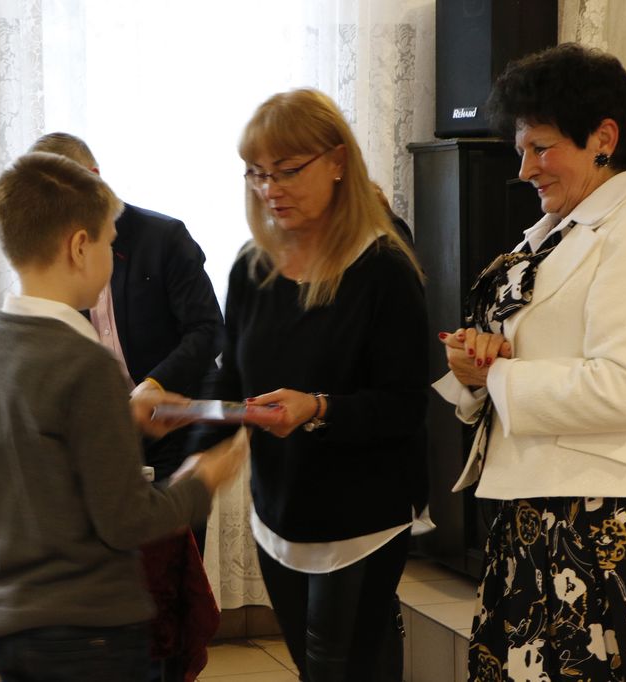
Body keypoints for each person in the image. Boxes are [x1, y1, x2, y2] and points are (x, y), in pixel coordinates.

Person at [434, 43, 626, 680]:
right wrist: (476, 364)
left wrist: (500, 375)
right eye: (521, 149)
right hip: (540, 506)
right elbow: (531, 354)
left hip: (611, 520)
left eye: (541, 147)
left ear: (603, 139)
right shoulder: (555, 234)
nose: (525, 168)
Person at [0, 151, 248, 682]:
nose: (114, 256)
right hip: (88, 630)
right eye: (111, 243)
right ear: (80, 247)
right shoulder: (86, 363)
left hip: (11, 623)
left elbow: (28, 459)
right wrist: (201, 479)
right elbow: (127, 521)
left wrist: (120, 421)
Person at [190, 87, 430, 682]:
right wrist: (197, 445)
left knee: (339, 669)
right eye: (256, 173)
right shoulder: (251, 267)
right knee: (312, 663)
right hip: (280, 512)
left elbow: (404, 406)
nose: (270, 188)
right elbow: (233, 379)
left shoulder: (384, 270)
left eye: (288, 170)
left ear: (338, 162)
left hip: (361, 519)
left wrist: (318, 408)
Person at [27, 133, 225, 492]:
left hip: (175, 417)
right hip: (107, 427)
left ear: (93, 178)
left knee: (173, 523)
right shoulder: (57, 254)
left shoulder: (164, 237)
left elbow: (208, 330)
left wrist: (153, 385)